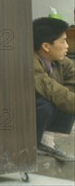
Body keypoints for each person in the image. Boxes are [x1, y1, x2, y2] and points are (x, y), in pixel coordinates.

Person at [33, 17, 74, 162]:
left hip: (47, 107)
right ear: (46, 46)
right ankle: (32, 142)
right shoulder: (30, 61)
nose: (67, 46)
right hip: (21, 119)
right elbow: (50, 88)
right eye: (62, 41)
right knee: (48, 102)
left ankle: (46, 139)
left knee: (67, 98)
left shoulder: (61, 62)